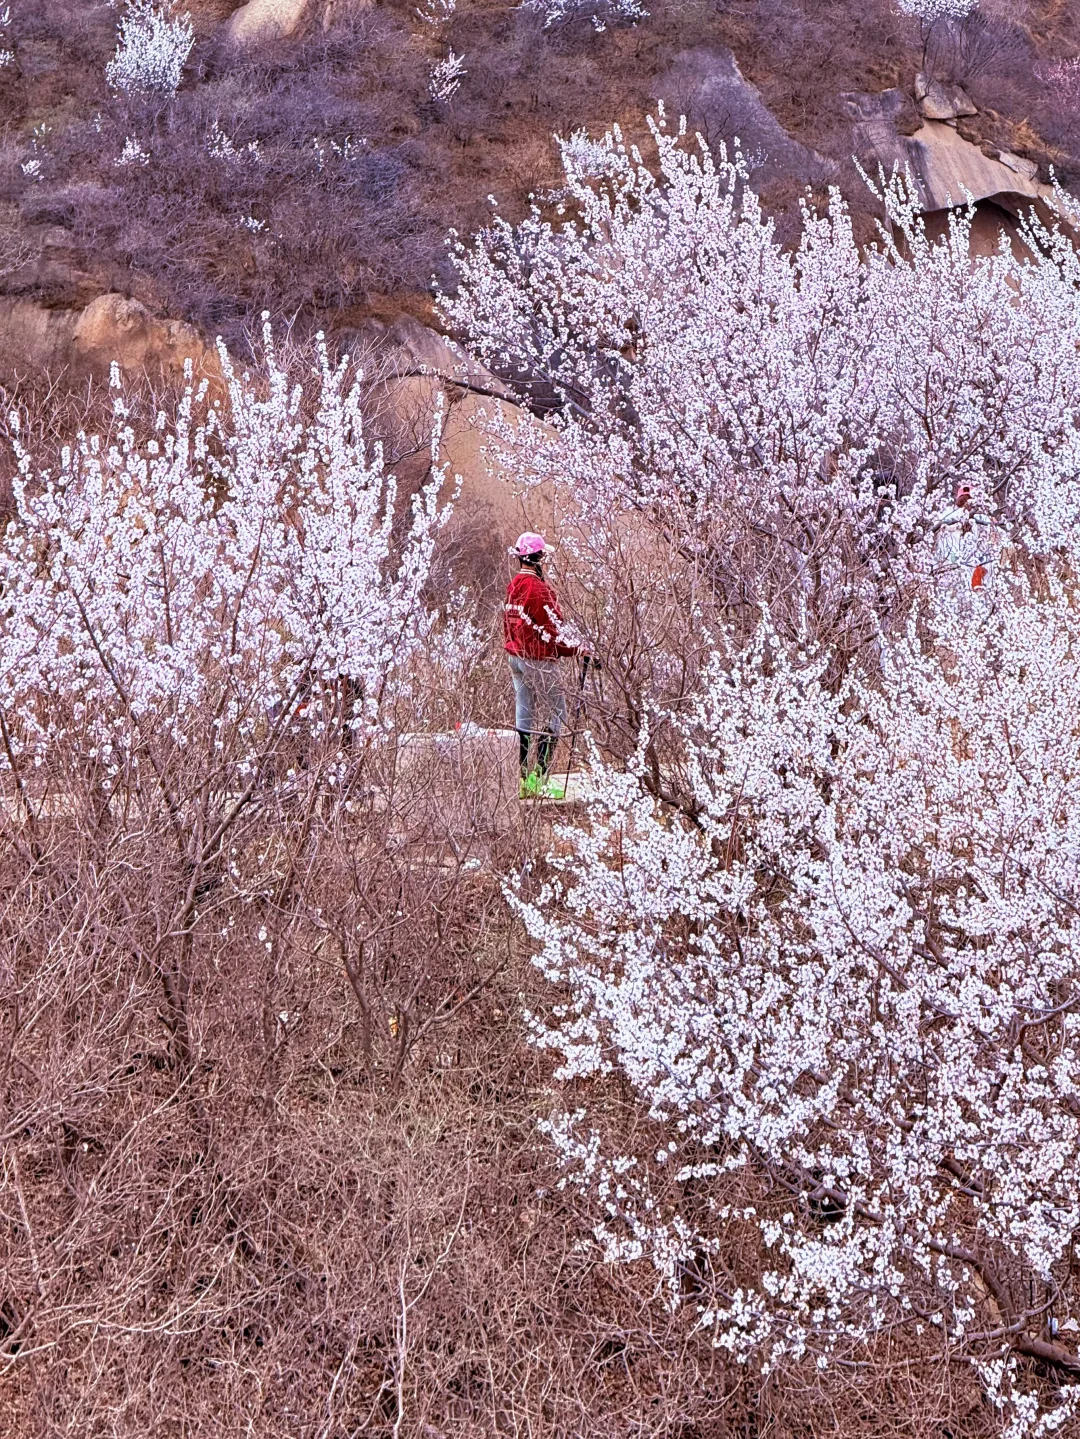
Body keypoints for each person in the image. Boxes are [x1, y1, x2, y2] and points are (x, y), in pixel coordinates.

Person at [503, 532, 583, 790]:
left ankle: (524, 777)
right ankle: (541, 776)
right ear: (538, 558)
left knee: (524, 712)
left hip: (515, 656)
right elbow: (554, 630)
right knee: (556, 711)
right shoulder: (539, 589)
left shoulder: (514, 584)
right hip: (538, 659)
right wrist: (580, 650)